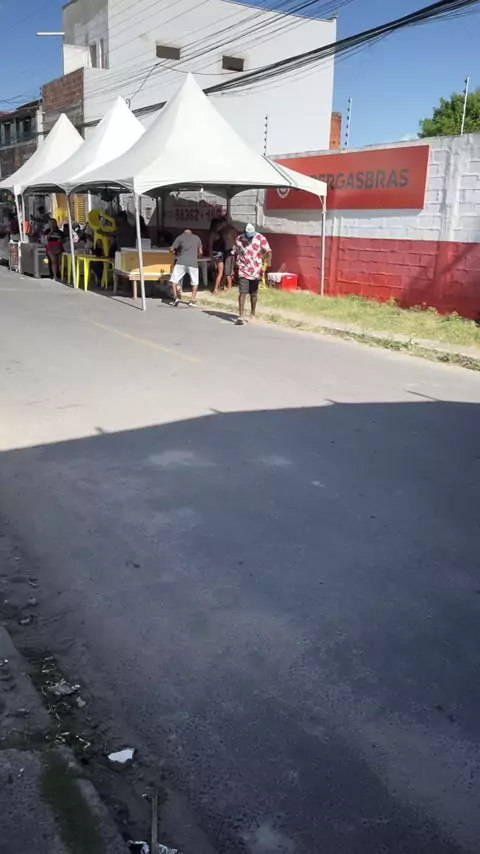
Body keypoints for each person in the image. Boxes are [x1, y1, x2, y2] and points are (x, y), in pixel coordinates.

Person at [232, 223, 271, 325]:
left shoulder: (260, 238)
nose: (250, 238)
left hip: (256, 270)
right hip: (243, 269)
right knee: (242, 292)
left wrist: (269, 261)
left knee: (253, 293)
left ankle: (253, 313)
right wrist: (234, 265)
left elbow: (268, 251)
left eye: (251, 235)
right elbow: (234, 252)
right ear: (245, 232)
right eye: (248, 235)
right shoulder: (239, 239)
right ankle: (240, 316)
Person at [169, 228, 203, 307]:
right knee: (195, 282)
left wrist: (170, 249)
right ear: (191, 233)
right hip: (193, 263)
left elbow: (172, 249)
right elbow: (201, 252)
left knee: (174, 280)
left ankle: (175, 298)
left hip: (181, 262)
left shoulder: (180, 237)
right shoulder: (197, 238)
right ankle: (192, 300)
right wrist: (197, 256)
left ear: (183, 233)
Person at [219, 218, 237, 291]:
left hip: (230, 251)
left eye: (223, 223)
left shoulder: (231, 230)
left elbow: (236, 240)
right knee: (223, 270)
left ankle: (229, 287)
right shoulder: (221, 231)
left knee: (228, 270)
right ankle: (224, 285)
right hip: (223, 251)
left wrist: (234, 250)